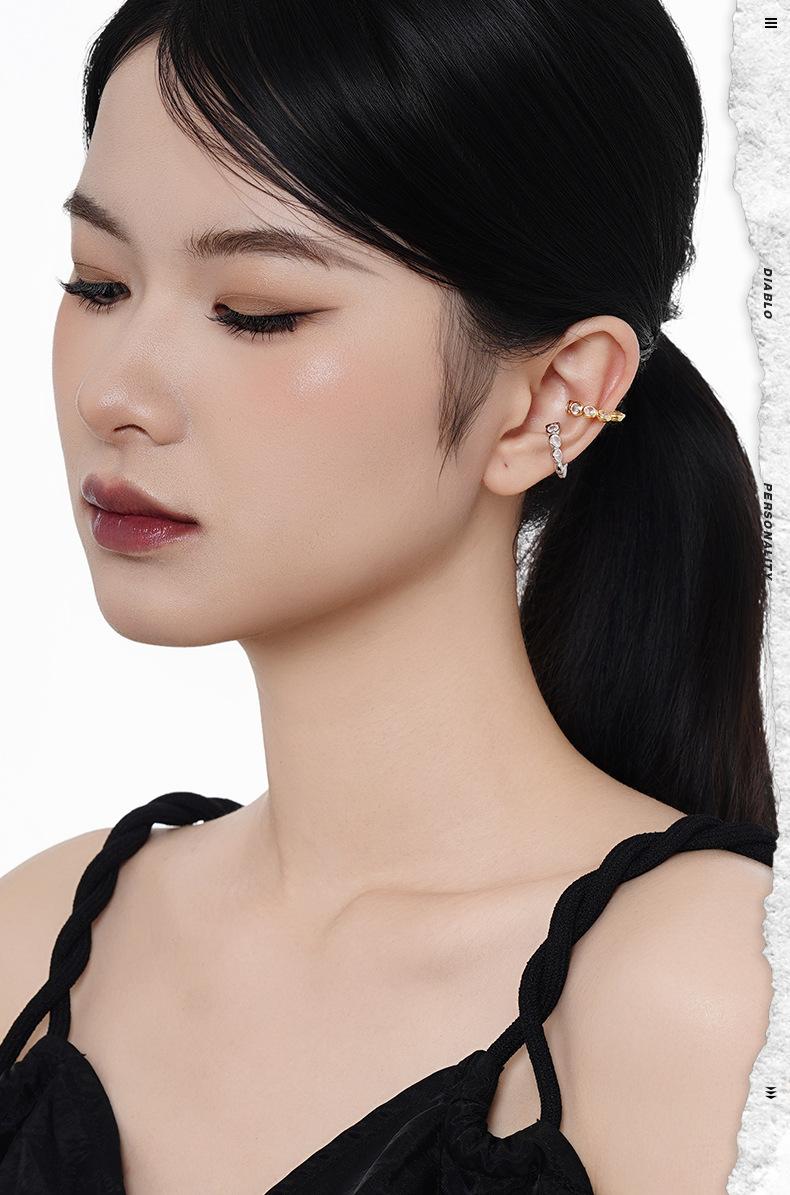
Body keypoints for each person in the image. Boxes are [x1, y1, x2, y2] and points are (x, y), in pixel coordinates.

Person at [0, 2, 777, 1193]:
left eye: (257, 310)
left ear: (551, 400)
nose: (117, 392)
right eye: (97, 283)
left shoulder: (708, 997)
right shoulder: (39, 940)